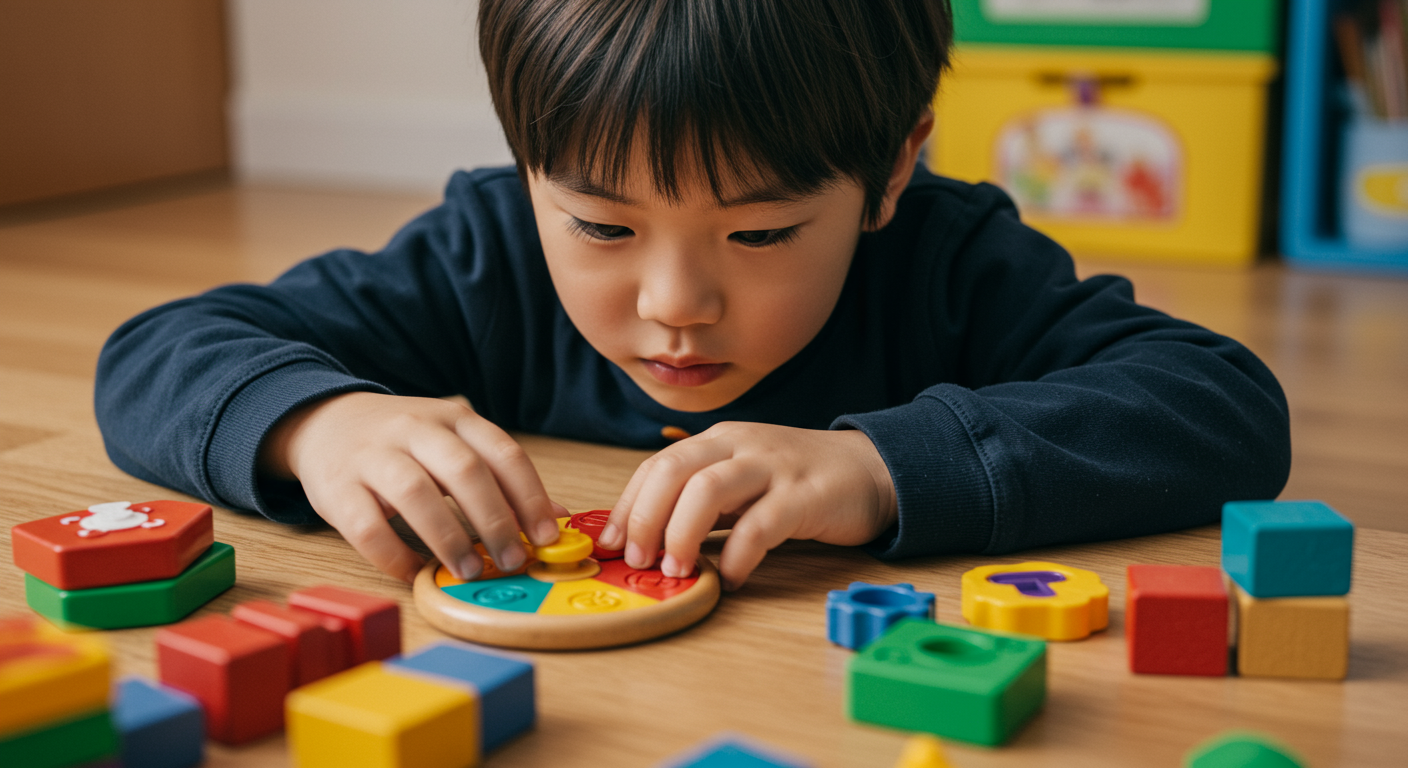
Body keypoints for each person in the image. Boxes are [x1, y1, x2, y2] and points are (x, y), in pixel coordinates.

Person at [94, 0, 1290, 592]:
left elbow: (1220, 406)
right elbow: (156, 351)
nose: (674, 303)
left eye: (761, 230)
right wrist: (319, 422)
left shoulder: (947, 264)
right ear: (526, 169)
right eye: (602, 225)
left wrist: (879, 468)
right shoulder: (484, 252)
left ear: (891, 170)